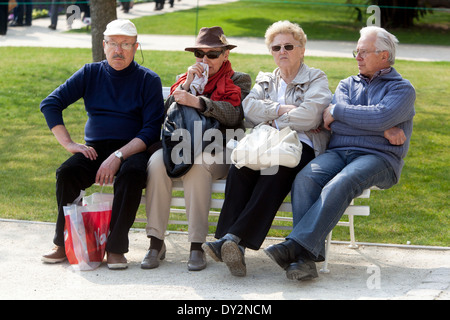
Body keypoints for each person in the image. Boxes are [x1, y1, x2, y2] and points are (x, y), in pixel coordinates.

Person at [264, 26, 416, 281]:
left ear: (384, 56)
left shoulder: (402, 89)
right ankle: (305, 260)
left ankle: (295, 246)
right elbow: (328, 121)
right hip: (339, 152)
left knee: (343, 182)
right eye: (356, 51)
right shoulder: (346, 84)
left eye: (363, 52)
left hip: (380, 159)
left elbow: (379, 114)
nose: (357, 56)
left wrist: (341, 112)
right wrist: (380, 128)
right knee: (306, 178)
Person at [202, 20, 332, 277]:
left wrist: (270, 115)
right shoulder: (266, 79)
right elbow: (249, 112)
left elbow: (309, 117)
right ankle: (233, 245)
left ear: (302, 49)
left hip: (299, 146)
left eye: (288, 46)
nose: (282, 52)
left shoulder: (316, 77)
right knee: (241, 167)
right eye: (276, 47)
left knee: (274, 170)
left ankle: (232, 238)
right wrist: (283, 110)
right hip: (264, 143)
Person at [40, 19, 165, 270]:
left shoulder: (148, 80)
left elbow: (151, 129)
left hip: (133, 149)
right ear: (104, 45)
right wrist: (69, 145)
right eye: (113, 44)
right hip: (96, 148)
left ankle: (116, 247)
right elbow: (50, 103)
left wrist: (119, 155)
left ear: (135, 46)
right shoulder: (90, 73)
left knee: (131, 175)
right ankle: (64, 243)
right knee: (67, 173)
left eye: (126, 44)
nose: (119, 50)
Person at [142, 26, 251, 272]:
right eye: (199, 54)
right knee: (157, 163)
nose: (205, 60)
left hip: (219, 147)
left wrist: (200, 102)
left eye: (212, 54)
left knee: (199, 164)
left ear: (225, 55)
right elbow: (166, 112)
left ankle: (196, 245)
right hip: (181, 144)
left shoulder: (238, 80)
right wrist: (189, 85)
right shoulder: (185, 79)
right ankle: (155, 241)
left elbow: (235, 115)